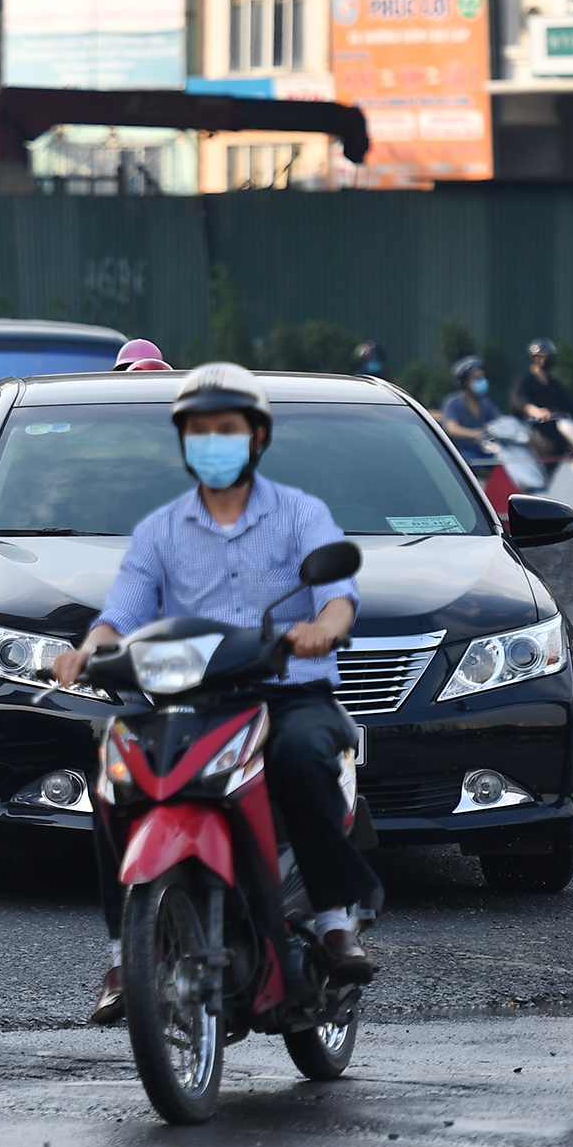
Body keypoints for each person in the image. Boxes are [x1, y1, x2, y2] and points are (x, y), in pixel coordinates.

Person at [50, 363, 381, 1025]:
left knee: (302, 758)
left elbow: (339, 597)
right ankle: (125, 954)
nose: (211, 442)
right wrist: (86, 650)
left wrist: (320, 630)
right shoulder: (160, 530)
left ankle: (334, 919)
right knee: (116, 777)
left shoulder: (299, 513)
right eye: (198, 431)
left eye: (225, 430)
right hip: (189, 699)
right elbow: (122, 611)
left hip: (285, 694)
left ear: (256, 438)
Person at [440, 355, 504, 467]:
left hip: (486, 451)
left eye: (482, 377)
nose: (482, 381)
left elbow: (500, 421)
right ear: (464, 382)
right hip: (464, 452)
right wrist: (473, 433)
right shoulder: (453, 403)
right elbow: (452, 428)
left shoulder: (486, 404)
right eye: (476, 378)